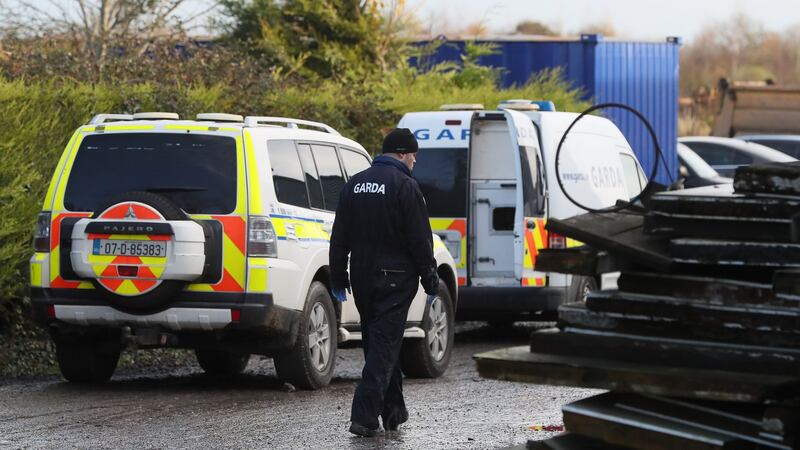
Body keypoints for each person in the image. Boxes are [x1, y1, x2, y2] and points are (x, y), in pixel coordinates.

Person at [329, 128, 439, 437]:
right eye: (413, 155)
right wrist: (431, 280)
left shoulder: (354, 184)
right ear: (403, 154)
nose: (415, 161)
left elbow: (339, 237)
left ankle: (394, 411)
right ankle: (363, 417)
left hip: (362, 279)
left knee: (379, 344)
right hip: (396, 280)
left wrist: (338, 275)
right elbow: (420, 241)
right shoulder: (405, 186)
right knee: (384, 348)